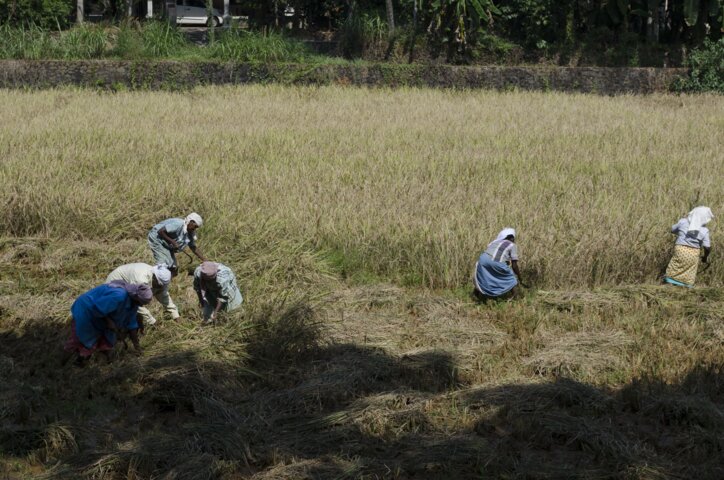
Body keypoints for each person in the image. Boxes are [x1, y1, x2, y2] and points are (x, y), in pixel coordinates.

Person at [62, 281, 152, 365]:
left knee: (107, 342)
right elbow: (98, 308)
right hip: (87, 310)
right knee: (81, 339)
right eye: (141, 302)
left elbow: (132, 324)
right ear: (136, 297)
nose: (141, 305)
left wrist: (137, 346)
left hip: (103, 314)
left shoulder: (133, 304)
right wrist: (109, 321)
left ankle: (96, 364)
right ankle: (63, 363)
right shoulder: (118, 296)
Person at [106, 263, 178, 325]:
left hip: (130, 282)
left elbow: (163, 295)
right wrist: (152, 321)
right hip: (115, 283)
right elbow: (134, 302)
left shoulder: (158, 277)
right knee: (124, 306)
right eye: (159, 285)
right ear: (154, 278)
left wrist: (175, 315)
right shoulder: (140, 280)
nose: (160, 287)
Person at [664, 206, 714, 288]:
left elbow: (672, 229)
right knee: (690, 269)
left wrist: (681, 230)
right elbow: (707, 247)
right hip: (694, 252)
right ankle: (686, 285)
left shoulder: (683, 222)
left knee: (676, 265)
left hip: (680, 249)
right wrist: (705, 257)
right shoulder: (704, 230)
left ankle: (670, 281)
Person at [473, 228, 525, 300]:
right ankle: (516, 296)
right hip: (496, 261)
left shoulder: (495, 242)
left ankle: (476, 294)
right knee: (511, 278)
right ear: (512, 238)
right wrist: (519, 277)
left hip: (483, 259)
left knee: (483, 276)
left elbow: (495, 254)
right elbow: (514, 265)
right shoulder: (512, 245)